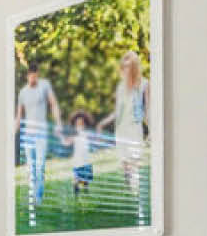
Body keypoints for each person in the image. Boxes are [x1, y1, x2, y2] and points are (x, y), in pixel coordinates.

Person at [96, 51, 149, 208]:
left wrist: (152, 129)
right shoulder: (120, 87)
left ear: (134, 68)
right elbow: (117, 111)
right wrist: (102, 123)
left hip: (134, 128)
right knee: (125, 165)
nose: (125, 70)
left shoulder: (144, 84)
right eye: (123, 67)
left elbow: (148, 111)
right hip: (121, 130)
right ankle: (132, 197)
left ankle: (137, 195)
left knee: (134, 163)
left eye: (128, 67)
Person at [14, 61, 62, 211]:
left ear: (37, 75)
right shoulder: (23, 92)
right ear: (28, 76)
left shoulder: (45, 86)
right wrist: (13, 133)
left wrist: (58, 122)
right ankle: (33, 196)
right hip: (28, 135)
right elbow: (19, 116)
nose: (33, 80)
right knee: (31, 169)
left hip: (41, 135)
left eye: (35, 77)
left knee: (40, 167)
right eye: (31, 77)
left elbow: (53, 104)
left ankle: (37, 199)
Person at [62, 111, 97, 201]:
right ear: (75, 125)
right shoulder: (74, 135)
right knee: (76, 180)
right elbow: (67, 143)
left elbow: (95, 139)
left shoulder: (87, 134)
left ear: (85, 124)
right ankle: (76, 197)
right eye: (78, 124)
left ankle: (86, 193)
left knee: (85, 181)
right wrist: (62, 138)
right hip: (77, 162)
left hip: (86, 161)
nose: (80, 126)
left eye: (81, 124)